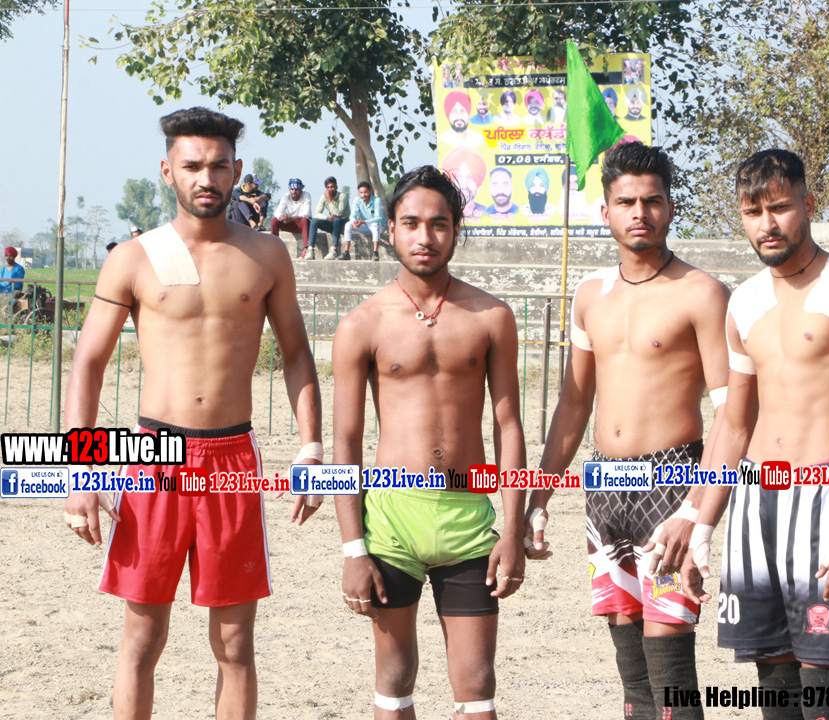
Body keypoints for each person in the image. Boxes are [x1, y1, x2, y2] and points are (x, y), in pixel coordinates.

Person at [63, 106, 324, 720]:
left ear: (237, 170)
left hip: (233, 458)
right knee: (142, 638)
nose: (206, 178)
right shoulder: (133, 257)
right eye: (192, 166)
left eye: (218, 166)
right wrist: (79, 471)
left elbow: (296, 355)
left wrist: (311, 447)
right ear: (168, 171)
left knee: (234, 644)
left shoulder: (267, 255)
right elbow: (88, 363)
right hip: (152, 458)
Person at [682, 149, 829, 720]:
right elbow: (735, 425)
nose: (767, 224)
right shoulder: (743, 302)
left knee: (825, 693)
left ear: (808, 204)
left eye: (780, 207)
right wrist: (702, 524)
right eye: (752, 212)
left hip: (828, 503)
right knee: (775, 690)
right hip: (755, 504)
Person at [525, 142, 730, 720]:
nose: (640, 212)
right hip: (605, 487)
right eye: (626, 202)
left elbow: (732, 412)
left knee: (670, 657)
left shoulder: (702, 292)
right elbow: (573, 405)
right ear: (605, 211)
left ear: (670, 208)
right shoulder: (590, 295)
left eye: (652, 201)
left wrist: (697, 509)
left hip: (673, 482)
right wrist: (539, 498)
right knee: (629, 660)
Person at [332, 165, 526, 720]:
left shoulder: (491, 317)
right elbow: (345, 440)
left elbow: (508, 426)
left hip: (466, 515)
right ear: (390, 228)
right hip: (391, 517)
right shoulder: (363, 323)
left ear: (456, 230)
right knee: (394, 678)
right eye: (412, 223)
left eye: (439, 224)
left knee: (477, 683)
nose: (425, 236)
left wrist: (512, 531)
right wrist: (353, 550)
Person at [270, 178, 314, 258]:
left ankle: (306, 250)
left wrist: (291, 218)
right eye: (292, 189)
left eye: (296, 189)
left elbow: (306, 213)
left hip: (302, 224)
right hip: (290, 223)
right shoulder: (286, 196)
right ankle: (274, 247)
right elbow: (277, 212)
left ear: (300, 190)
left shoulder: (306, 195)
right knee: (274, 220)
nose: (294, 192)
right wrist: (282, 217)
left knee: (304, 220)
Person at [343, 181, 387, 261]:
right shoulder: (357, 200)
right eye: (361, 193)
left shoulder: (376, 201)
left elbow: (379, 218)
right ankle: (346, 253)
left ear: (369, 191)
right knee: (348, 224)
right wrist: (355, 222)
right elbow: (352, 216)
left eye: (365, 192)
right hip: (366, 227)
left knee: (374, 225)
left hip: (379, 227)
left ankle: (375, 253)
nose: (363, 195)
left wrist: (363, 222)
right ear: (359, 193)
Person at [442, 146, 488, 220]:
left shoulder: (488, 214)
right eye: (458, 177)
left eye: (470, 178)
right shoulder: (441, 213)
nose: (464, 185)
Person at [312, 176, 350, 260]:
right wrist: (327, 217)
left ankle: (333, 250)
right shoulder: (323, 197)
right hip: (333, 223)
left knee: (337, 220)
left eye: (332, 187)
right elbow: (316, 213)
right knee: (314, 221)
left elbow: (338, 213)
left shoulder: (342, 196)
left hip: (343, 224)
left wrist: (329, 200)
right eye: (328, 187)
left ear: (336, 187)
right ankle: (310, 249)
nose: (330, 189)